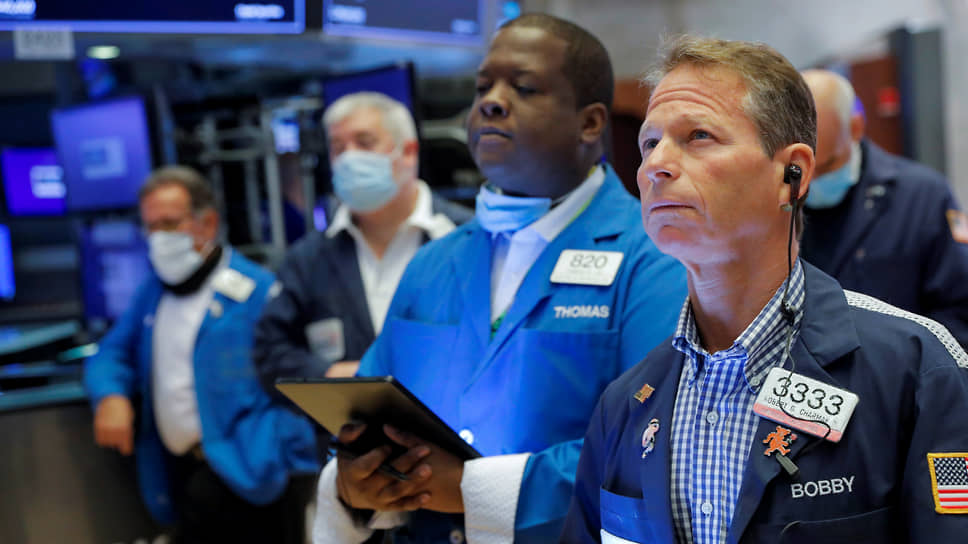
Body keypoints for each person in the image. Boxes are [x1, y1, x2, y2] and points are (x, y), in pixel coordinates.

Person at [562, 36, 968, 543]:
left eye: (699, 136)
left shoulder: (918, 372)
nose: (654, 165)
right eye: (649, 143)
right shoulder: (624, 405)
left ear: (791, 176)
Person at [312, 13, 687, 544]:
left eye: (524, 88)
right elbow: (367, 412)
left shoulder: (654, 259)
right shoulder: (432, 262)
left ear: (590, 124)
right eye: (483, 86)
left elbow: (651, 450)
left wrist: (474, 490)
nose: (491, 101)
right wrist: (353, 483)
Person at [84, 166, 318, 543]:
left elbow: (299, 375)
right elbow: (111, 352)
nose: (158, 237)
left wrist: (272, 449)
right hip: (178, 474)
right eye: (150, 226)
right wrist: (110, 395)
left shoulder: (256, 290)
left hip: (250, 476)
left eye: (169, 223)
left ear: (207, 223)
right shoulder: (152, 292)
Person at [254, 92, 472, 399]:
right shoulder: (309, 259)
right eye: (338, 148)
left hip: (456, 423)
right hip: (350, 427)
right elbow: (270, 355)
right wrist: (330, 376)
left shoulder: (466, 238)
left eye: (365, 143)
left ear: (408, 152)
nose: (349, 159)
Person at [799, 69, 968, 347]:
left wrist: (907, 362)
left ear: (855, 128)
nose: (812, 181)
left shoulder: (923, 196)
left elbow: (959, 309)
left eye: (826, 165)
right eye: (801, 168)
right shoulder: (774, 200)